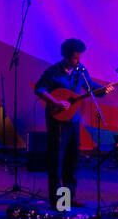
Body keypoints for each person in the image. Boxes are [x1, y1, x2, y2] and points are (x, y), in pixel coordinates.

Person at [33, 38, 113, 208]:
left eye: (78, 57)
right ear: (66, 56)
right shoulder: (53, 71)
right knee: (57, 160)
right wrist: (55, 101)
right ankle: (57, 201)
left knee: (72, 160)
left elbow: (90, 87)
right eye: (74, 58)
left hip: (74, 119)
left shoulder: (81, 70)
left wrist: (104, 89)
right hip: (57, 120)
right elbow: (39, 89)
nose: (77, 61)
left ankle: (69, 197)